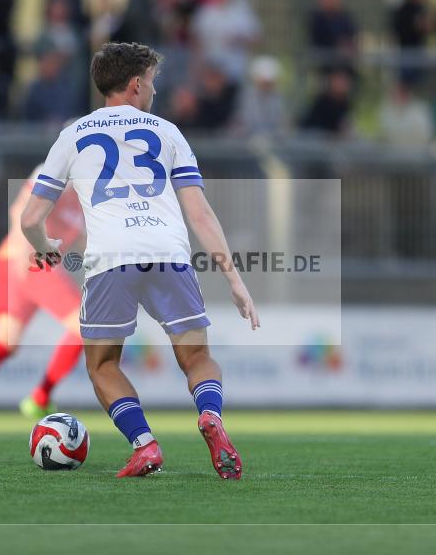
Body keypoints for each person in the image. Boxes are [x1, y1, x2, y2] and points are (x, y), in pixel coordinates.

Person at [20, 42, 259, 479]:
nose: (153, 90)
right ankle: (210, 416)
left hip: (111, 260)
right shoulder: (168, 132)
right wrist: (234, 279)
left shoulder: (72, 136)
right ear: (134, 84)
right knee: (197, 357)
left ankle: (145, 444)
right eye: (151, 82)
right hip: (169, 253)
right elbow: (200, 214)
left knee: (102, 365)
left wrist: (45, 246)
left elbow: (31, 218)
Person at [0, 173, 86, 430]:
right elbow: (22, 207)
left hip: (15, 263)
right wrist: (25, 249)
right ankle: (40, 398)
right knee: (85, 326)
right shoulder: (64, 171)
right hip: (29, 261)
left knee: (6, 341)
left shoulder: (89, 197)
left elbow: (85, 242)